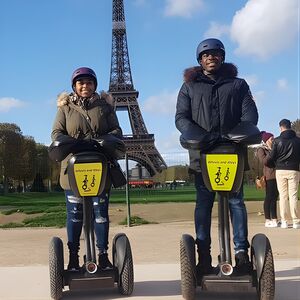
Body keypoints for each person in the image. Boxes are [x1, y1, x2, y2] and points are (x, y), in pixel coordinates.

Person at [175, 38, 258, 275]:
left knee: (236, 202)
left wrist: (238, 133)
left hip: (232, 153)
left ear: (222, 57)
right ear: (200, 60)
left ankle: (241, 252)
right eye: (206, 55)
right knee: (204, 203)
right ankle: (203, 255)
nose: (211, 58)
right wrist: (198, 136)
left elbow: (249, 114)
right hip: (203, 154)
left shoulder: (238, 84)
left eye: (215, 54)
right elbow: (181, 118)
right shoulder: (189, 87)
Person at [51, 67, 123, 270]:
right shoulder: (65, 108)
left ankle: (103, 255)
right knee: (75, 214)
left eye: (89, 82)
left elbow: (117, 131)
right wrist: (73, 143)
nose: (85, 86)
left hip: (99, 168)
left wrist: (103, 140)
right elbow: (56, 133)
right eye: (81, 82)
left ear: (95, 85)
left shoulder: (105, 107)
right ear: (74, 86)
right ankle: (73, 257)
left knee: (100, 214)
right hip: (73, 169)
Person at [266, 119, 300, 229]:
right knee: (293, 195)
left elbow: (271, 157)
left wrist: (271, 164)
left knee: (283, 196)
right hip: (294, 169)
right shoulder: (298, 140)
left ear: (281, 127)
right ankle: (296, 221)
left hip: (280, 169)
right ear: (290, 126)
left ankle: (284, 221)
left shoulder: (277, 140)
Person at [256, 131, 279, 227]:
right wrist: (272, 152)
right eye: (271, 139)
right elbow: (265, 161)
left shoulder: (274, 149)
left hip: (277, 175)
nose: (273, 140)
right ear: (266, 140)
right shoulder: (261, 149)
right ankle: (267, 219)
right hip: (269, 176)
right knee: (269, 197)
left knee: (274, 197)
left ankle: (274, 219)